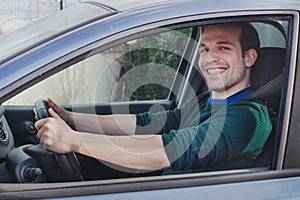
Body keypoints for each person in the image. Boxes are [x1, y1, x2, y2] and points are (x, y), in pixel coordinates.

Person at [35, 22, 272, 175]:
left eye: (223, 48)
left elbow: (167, 150)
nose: (210, 58)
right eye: (204, 49)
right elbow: (144, 123)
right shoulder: (206, 102)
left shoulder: (248, 117)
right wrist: (71, 118)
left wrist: (76, 141)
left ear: (248, 58)